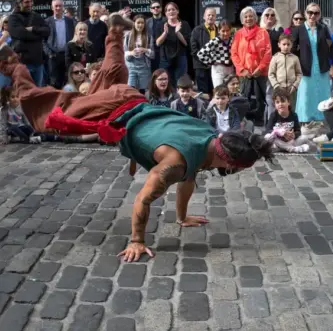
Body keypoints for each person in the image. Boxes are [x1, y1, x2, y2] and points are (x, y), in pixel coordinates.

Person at [0, 15, 274, 263]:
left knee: (110, 76)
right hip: (112, 110)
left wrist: (181, 217)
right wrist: (137, 241)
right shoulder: (175, 162)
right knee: (47, 117)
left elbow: (188, 179)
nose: (233, 172)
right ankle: (12, 64)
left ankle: (116, 30)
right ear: (231, 161)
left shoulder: (207, 137)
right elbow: (143, 199)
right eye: (236, 170)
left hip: (131, 97)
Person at [292, 2, 333, 138]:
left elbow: (331, 48)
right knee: (306, 95)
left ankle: (321, 121)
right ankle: (305, 122)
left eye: (316, 13)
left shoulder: (323, 29)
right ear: (305, 14)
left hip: (321, 68)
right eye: (310, 12)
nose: (313, 15)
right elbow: (293, 49)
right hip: (305, 68)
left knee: (322, 94)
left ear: (319, 15)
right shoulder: (299, 29)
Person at [231, 6, 272, 126]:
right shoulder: (238, 34)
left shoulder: (263, 32)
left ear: (255, 18)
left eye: (251, 16)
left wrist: (260, 68)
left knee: (260, 98)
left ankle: (259, 121)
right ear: (242, 20)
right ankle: (244, 120)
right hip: (244, 73)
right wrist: (242, 69)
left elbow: (268, 52)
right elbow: (234, 53)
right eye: (246, 16)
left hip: (260, 72)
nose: (248, 18)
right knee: (244, 97)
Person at [8, 0, 50, 87]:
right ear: (19, 3)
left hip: (38, 63)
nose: (30, 4)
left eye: (31, 1)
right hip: (23, 63)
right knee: (23, 93)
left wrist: (33, 29)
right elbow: (21, 34)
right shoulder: (13, 18)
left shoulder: (36, 16)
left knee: (37, 93)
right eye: (27, 2)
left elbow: (47, 31)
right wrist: (39, 35)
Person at [264, 88, 310, 153]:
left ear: (288, 102)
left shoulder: (294, 115)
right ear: (274, 104)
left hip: (290, 141)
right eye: (277, 102)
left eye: (283, 101)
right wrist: (281, 134)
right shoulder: (273, 115)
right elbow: (268, 130)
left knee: (304, 137)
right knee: (267, 137)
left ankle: (283, 148)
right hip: (278, 141)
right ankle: (292, 149)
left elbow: (298, 131)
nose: (280, 104)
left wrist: (293, 135)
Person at [157, 2, 192, 87]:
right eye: (168, 10)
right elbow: (158, 43)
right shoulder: (161, 24)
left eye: (173, 9)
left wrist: (177, 32)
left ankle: (179, 100)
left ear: (177, 11)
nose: (171, 12)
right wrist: (165, 33)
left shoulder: (184, 24)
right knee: (166, 83)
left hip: (180, 58)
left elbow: (186, 43)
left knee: (181, 83)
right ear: (165, 13)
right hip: (165, 59)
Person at [45, 0, 75, 89]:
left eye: (60, 6)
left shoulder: (70, 21)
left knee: (68, 80)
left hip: (67, 55)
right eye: (56, 6)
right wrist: (49, 53)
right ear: (52, 7)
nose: (58, 8)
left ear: (63, 7)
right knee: (54, 82)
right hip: (53, 56)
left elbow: (74, 37)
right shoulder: (47, 22)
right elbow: (43, 40)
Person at [197, 19, 234, 88]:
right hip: (218, 69)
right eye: (223, 31)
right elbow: (200, 54)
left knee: (230, 92)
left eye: (227, 30)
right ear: (219, 31)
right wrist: (212, 62)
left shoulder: (233, 40)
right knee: (219, 91)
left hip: (230, 69)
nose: (225, 33)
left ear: (230, 30)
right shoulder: (215, 41)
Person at [268, 33, 302, 108]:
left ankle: (292, 120)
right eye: (284, 44)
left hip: (291, 89)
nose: (286, 46)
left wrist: (295, 86)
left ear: (291, 45)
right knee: (279, 108)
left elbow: (299, 74)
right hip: (279, 88)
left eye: (288, 44)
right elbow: (271, 74)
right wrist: (276, 86)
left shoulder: (295, 58)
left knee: (292, 108)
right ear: (279, 45)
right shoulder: (275, 58)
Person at [124, 15, 155, 94]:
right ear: (134, 23)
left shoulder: (148, 36)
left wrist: (145, 50)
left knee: (143, 90)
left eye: (142, 23)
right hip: (131, 67)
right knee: (130, 89)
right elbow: (124, 52)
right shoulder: (128, 35)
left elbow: (153, 54)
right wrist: (131, 53)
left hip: (144, 66)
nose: (140, 25)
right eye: (138, 22)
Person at [191, 7, 218, 95]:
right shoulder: (197, 30)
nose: (210, 17)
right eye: (208, 15)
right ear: (204, 17)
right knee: (203, 93)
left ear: (215, 17)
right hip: (201, 66)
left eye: (213, 15)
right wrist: (206, 61)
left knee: (216, 91)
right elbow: (194, 50)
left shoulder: (219, 31)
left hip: (215, 66)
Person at [146, 0, 166, 73]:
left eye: (157, 7)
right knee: (152, 73)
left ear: (161, 8)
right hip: (151, 50)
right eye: (153, 7)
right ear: (151, 10)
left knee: (163, 72)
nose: (155, 9)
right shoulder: (147, 22)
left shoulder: (166, 20)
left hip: (164, 50)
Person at [0, 15, 11, 87]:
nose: (7, 23)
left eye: (8, 21)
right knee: (4, 87)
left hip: (14, 64)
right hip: (2, 64)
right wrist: (4, 36)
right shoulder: (1, 34)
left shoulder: (14, 33)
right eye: (5, 21)